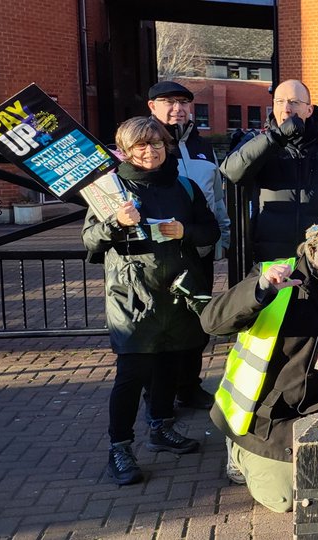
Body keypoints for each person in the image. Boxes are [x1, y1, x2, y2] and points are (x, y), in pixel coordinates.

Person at [202, 210, 318, 512]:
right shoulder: (275, 274)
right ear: (317, 243)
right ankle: (238, 450)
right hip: (266, 412)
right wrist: (260, 291)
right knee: (284, 501)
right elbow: (211, 323)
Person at [82, 117, 219, 485]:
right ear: (125, 151)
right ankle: (120, 448)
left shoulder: (184, 186)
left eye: (156, 143)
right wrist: (116, 222)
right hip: (132, 296)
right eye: (140, 145)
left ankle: (161, 427)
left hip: (176, 292)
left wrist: (185, 231)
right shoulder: (109, 189)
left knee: (170, 366)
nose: (150, 150)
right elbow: (91, 241)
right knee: (133, 372)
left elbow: (211, 229)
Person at [145, 80, 228, 410]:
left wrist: (222, 238)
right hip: (157, 252)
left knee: (196, 322)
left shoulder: (202, 146)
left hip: (196, 247)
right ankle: (157, 396)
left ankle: (189, 387)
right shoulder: (142, 143)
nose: (177, 108)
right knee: (159, 326)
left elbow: (217, 197)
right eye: (168, 101)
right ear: (152, 107)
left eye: (183, 102)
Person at [221, 79, 318, 262]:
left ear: (309, 110)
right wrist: (277, 137)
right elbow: (231, 171)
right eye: (279, 101)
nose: (286, 108)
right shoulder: (261, 144)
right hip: (271, 258)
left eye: (294, 102)